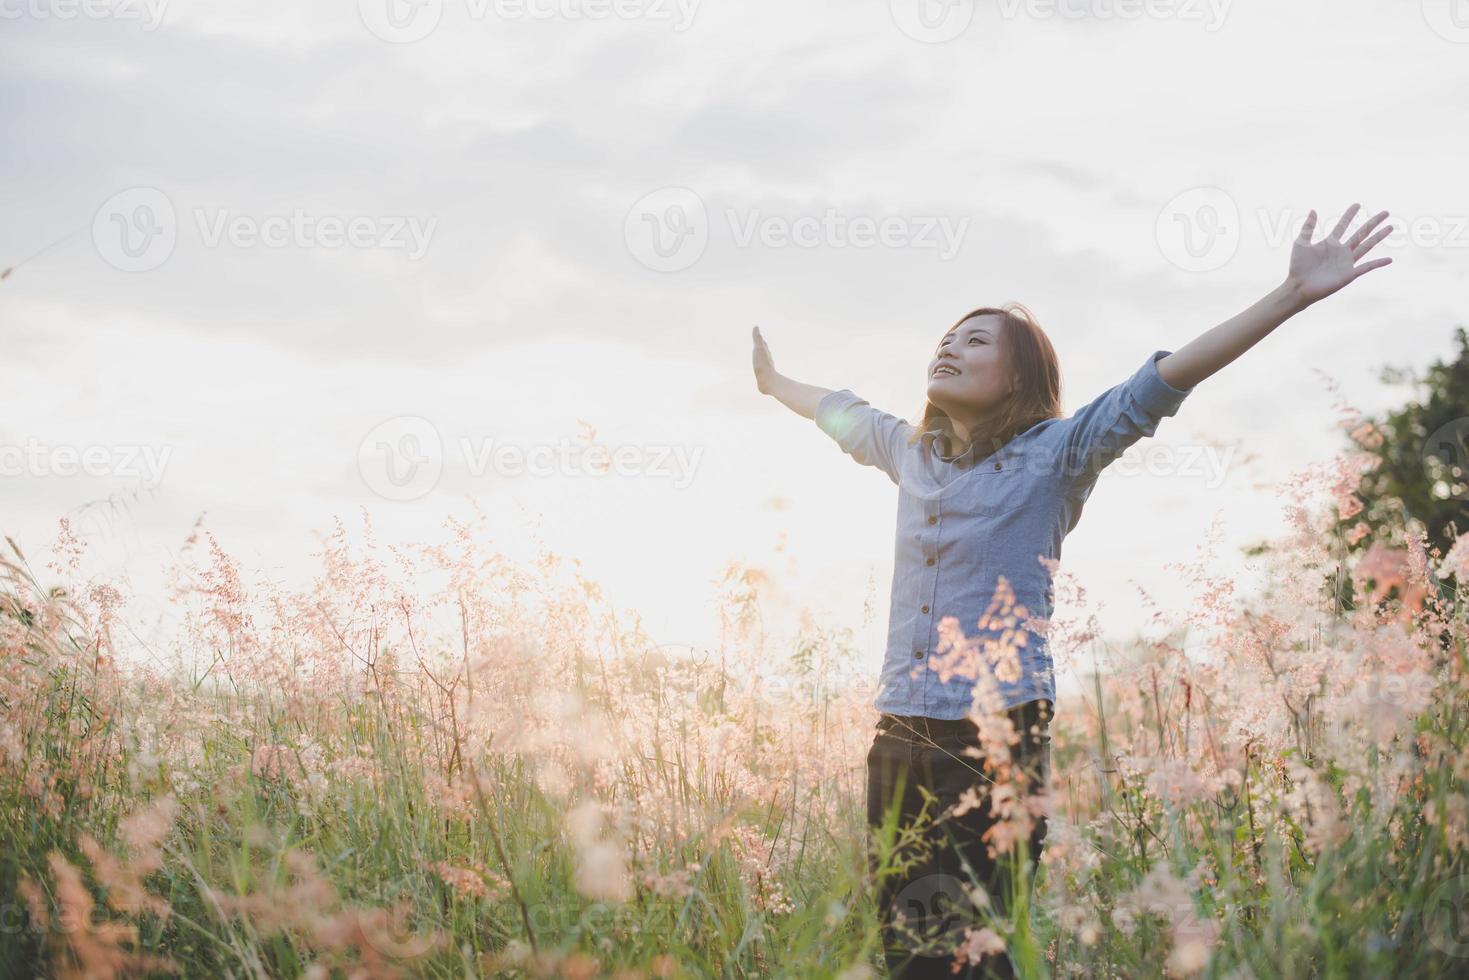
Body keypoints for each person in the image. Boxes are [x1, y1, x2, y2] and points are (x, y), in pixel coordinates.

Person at [750, 204, 1394, 977]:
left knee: (974, 954)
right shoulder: (908, 452)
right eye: (945, 339)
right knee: (905, 950)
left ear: (1018, 375)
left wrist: (1288, 294)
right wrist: (772, 382)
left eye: (974, 339)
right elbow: (838, 411)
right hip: (898, 733)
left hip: (993, 738)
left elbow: (1159, 382)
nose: (949, 347)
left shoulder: (1056, 454)